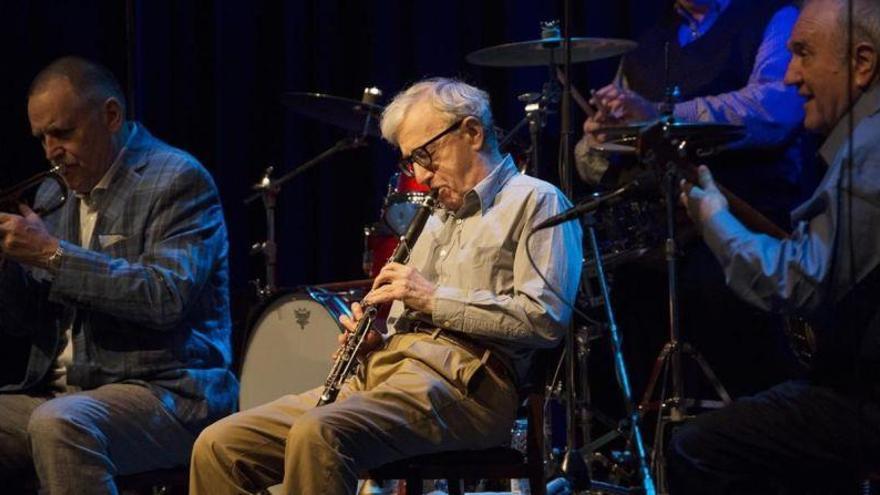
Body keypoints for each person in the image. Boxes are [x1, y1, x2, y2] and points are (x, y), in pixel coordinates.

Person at [189, 78, 584, 494]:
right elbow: (403, 321)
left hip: (468, 386)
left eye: (426, 155)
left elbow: (546, 319)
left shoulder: (537, 201)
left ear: (472, 132)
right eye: (409, 161)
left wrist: (433, 300)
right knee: (219, 446)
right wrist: (374, 341)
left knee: (318, 433)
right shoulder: (430, 221)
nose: (419, 175)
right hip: (387, 377)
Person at [0, 56, 237, 494]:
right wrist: (11, 269)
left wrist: (51, 254)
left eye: (63, 133)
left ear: (110, 116)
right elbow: (24, 324)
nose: (52, 150)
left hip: (169, 395)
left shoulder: (177, 180)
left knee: (61, 424)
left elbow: (165, 298)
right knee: (57, 417)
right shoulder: (54, 192)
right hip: (64, 395)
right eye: (43, 137)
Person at [669, 0, 880, 491]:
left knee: (698, 447)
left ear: (863, 63)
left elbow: (798, 282)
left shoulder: (870, 149)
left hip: (870, 398)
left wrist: (715, 220)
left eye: (803, 54)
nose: (789, 76)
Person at [577, 0, 819, 399]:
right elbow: (595, 156)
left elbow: (777, 107)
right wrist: (599, 138)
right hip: (660, 237)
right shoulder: (646, 44)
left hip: (748, 224)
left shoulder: (773, 17)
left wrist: (659, 115)